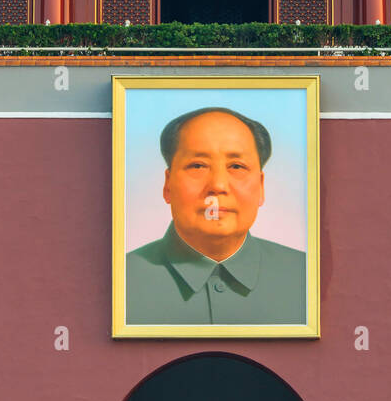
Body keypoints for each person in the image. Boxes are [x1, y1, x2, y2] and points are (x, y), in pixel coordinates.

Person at [126, 108, 306, 326]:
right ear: (167, 185)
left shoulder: (307, 277)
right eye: (198, 165)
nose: (218, 186)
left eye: (237, 166)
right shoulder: (119, 280)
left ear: (261, 187)